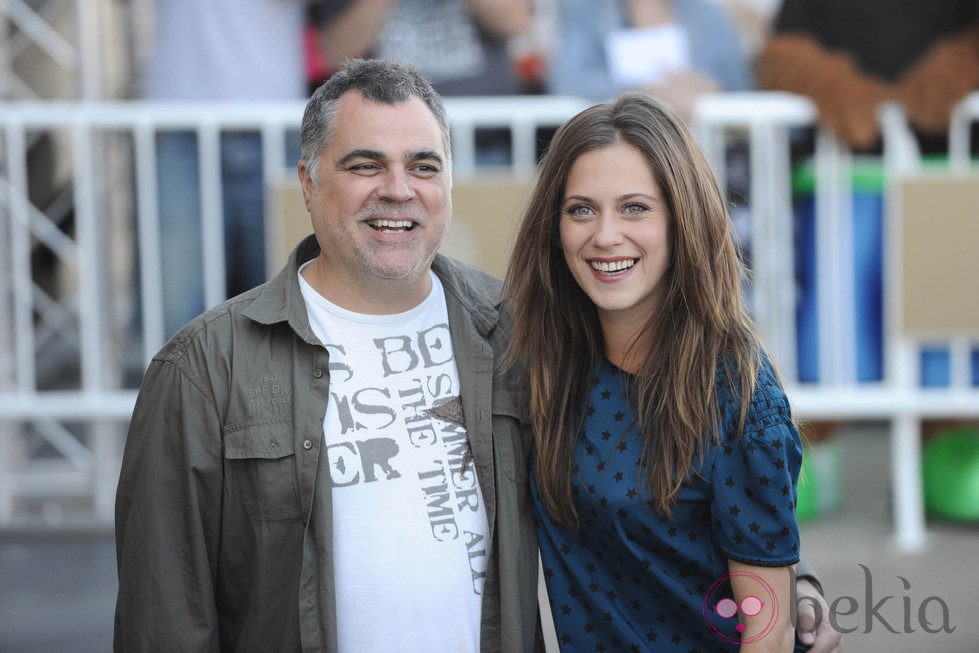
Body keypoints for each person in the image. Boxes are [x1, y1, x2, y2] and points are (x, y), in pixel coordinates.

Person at [114, 58, 540, 651]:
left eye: (423, 166)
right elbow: (164, 618)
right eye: (365, 165)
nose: (398, 189)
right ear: (309, 182)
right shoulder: (203, 369)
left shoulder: (517, 332)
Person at [503, 92, 840, 651]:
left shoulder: (736, 393)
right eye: (581, 209)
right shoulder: (541, 363)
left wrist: (792, 591)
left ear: (683, 219)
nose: (605, 235)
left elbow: (767, 636)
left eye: (635, 207)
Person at [548, 0, 752, 120]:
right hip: (619, 142)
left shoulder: (705, 11)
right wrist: (647, 93)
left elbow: (740, 88)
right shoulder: (585, 11)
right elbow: (569, 83)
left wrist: (711, 90)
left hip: (703, 151)